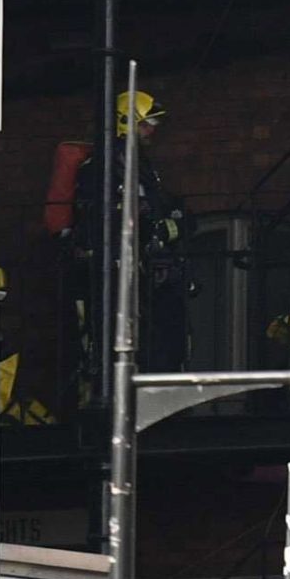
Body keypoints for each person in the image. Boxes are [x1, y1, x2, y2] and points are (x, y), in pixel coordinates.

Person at [65, 91, 190, 395]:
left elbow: (158, 208)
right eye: (146, 123)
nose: (152, 130)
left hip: (142, 269)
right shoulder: (107, 166)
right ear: (125, 122)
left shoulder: (138, 164)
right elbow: (114, 215)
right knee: (121, 339)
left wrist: (174, 223)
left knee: (158, 336)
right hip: (118, 271)